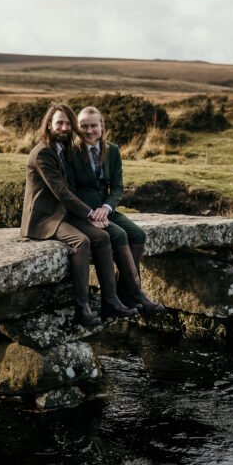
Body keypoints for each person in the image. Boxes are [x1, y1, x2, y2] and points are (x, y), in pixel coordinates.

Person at [20, 103, 139, 326]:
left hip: (62, 214)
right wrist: (90, 214)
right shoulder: (43, 152)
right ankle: (82, 308)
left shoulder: (62, 149)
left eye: (68, 123)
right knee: (81, 241)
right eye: (59, 123)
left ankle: (111, 301)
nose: (64, 127)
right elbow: (62, 192)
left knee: (103, 237)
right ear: (49, 125)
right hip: (44, 218)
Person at [67, 106, 166, 316]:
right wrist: (90, 213)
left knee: (138, 234)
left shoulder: (112, 150)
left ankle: (126, 292)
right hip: (85, 213)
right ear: (77, 127)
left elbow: (118, 187)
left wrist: (106, 207)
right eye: (83, 126)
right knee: (119, 234)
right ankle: (134, 294)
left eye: (94, 125)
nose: (89, 130)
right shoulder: (71, 153)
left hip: (106, 210)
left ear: (102, 126)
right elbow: (70, 190)